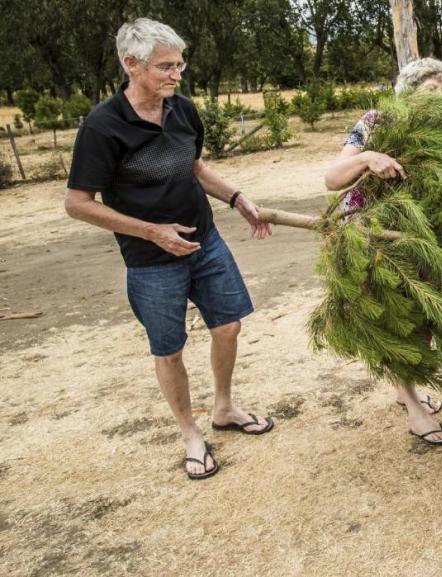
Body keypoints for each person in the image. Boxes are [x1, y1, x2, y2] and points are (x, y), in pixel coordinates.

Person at [65, 18, 274, 480]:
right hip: (151, 260)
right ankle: (191, 434)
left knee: (229, 327)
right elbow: (77, 204)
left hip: (205, 240)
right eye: (165, 66)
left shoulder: (182, 109)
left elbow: (195, 167)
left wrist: (238, 199)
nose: (176, 74)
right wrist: (151, 231)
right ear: (131, 64)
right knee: (169, 348)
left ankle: (224, 407)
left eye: (179, 64)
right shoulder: (103, 127)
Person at [323, 58, 442, 446]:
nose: (441, 98)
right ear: (409, 90)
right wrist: (368, 158)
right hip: (372, 236)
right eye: (433, 90)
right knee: (397, 319)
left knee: (425, 315)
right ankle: (414, 408)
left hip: (418, 236)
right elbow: (333, 178)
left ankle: (405, 388)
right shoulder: (374, 122)